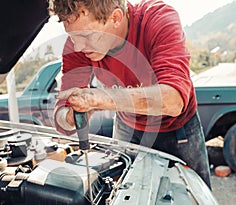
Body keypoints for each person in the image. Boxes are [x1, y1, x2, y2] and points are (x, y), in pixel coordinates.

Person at [49, 0, 212, 189]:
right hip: (127, 126)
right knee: (127, 192)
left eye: (86, 35)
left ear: (116, 18)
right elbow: (60, 115)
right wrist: (68, 118)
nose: (78, 47)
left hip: (176, 129)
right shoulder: (78, 45)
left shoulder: (157, 19)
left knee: (192, 193)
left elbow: (173, 100)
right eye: (73, 36)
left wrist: (100, 99)